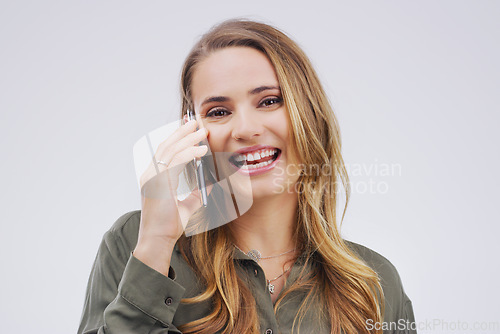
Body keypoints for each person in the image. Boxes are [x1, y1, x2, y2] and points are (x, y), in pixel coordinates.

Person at [78, 19, 416, 334]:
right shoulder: (136, 243)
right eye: (219, 112)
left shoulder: (374, 283)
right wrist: (156, 245)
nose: (246, 129)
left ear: (309, 114)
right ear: (192, 131)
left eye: (269, 101)